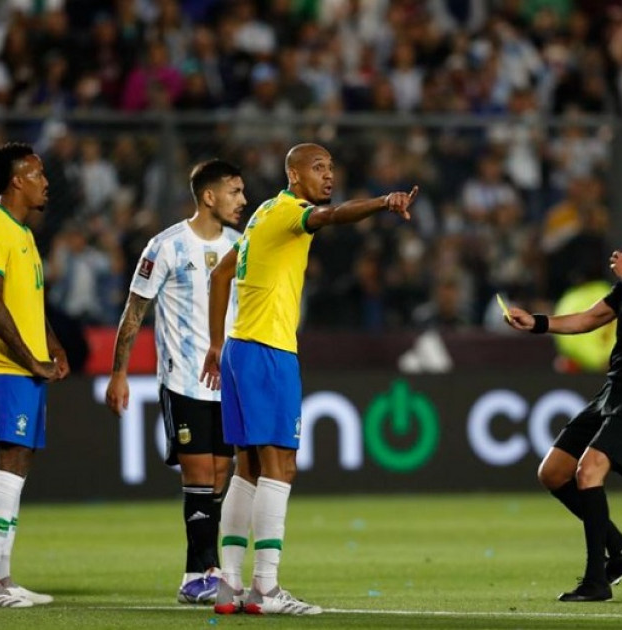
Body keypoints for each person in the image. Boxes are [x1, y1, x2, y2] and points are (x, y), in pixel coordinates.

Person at [200, 143, 417, 615]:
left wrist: (218, 345)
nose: (328, 175)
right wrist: (383, 202)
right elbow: (334, 216)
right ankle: (266, 588)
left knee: (249, 468)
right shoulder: (291, 212)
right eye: (318, 168)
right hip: (268, 350)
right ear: (294, 175)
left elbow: (220, 275)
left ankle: (230, 585)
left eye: (332, 168)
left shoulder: (261, 215)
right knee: (281, 466)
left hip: (240, 347)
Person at [504, 205, 622, 602]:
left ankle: (596, 581)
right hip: (614, 389)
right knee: (553, 471)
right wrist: (538, 323)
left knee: (588, 471)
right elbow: (590, 318)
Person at [104, 159, 246, 605]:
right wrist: (119, 370)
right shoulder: (165, 245)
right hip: (183, 379)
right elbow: (135, 310)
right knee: (200, 473)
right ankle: (202, 571)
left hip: (230, 382)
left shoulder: (242, 245)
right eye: (235, 192)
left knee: (223, 473)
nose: (243, 201)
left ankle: (200, 569)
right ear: (209, 196)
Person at [0, 142, 70, 608]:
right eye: (37, 173)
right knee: (10, 462)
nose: (45, 181)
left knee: (20, 463)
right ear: (16, 181)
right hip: (7, 365)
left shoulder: (23, 233)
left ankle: (1, 576)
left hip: (27, 363)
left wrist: (51, 344)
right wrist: (31, 360)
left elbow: (27, 303)